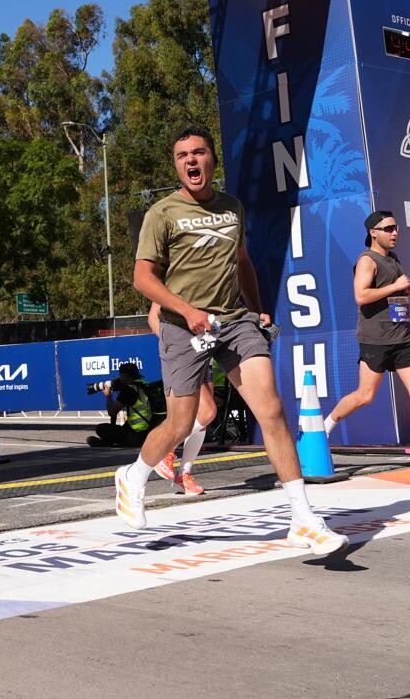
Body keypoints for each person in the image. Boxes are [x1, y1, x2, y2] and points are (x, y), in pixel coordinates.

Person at [119, 125, 346, 555]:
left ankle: (303, 519)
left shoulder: (232, 207)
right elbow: (142, 278)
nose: (191, 160)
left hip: (234, 322)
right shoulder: (162, 213)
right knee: (182, 422)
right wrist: (188, 312)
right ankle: (134, 475)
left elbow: (242, 262)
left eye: (198, 152)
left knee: (272, 410)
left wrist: (257, 310)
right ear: (177, 166)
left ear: (212, 160)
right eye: (182, 155)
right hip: (181, 326)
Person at [323, 211, 410, 478]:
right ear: (373, 232)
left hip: (404, 338)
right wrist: (395, 286)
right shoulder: (367, 260)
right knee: (365, 395)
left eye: (396, 228)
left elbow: (393, 290)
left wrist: (407, 290)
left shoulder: (393, 258)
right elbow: (361, 295)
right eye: (389, 228)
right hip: (376, 339)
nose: (395, 232)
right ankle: (324, 427)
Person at [148, 302, 217, 495]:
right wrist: (174, 345)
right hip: (184, 354)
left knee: (201, 420)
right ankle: (165, 449)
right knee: (208, 412)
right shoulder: (172, 285)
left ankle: (184, 474)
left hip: (204, 350)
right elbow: (153, 318)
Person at [87, 362, 155, 448]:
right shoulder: (145, 384)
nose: (119, 378)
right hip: (151, 432)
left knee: (101, 428)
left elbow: (112, 412)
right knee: (122, 427)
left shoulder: (129, 390)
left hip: (136, 435)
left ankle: (112, 442)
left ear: (125, 376)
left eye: (120, 375)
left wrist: (108, 396)